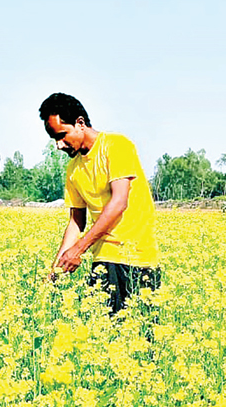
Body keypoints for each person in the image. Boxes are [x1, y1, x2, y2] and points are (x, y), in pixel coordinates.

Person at [39, 92, 161, 314]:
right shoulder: (73, 169)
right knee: (104, 338)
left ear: (80, 123)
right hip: (103, 259)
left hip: (138, 258)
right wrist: (55, 270)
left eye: (63, 135)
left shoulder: (117, 146)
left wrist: (79, 249)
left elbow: (119, 202)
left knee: (142, 340)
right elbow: (76, 222)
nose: (59, 145)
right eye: (54, 139)